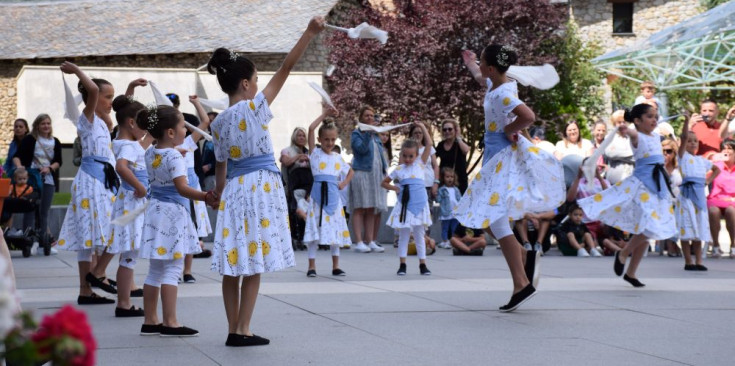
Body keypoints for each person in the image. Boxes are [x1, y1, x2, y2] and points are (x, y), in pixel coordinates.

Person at [208, 16, 324, 347]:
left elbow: (221, 164)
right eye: (256, 79)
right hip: (259, 186)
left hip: (235, 187)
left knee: (234, 260)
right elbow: (286, 68)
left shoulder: (217, 124)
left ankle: (233, 327)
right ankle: (243, 328)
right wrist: (308, 32)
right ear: (245, 84)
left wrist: (217, 193)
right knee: (254, 258)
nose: (260, 84)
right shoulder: (254, 107)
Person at [455, 45, 565, 311]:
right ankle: (524, 258)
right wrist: (470, 63)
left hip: (501, 159)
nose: (479, 65)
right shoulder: (498, 83)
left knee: (494, 219)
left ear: (492, 67)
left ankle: (521, 283)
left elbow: (527, 116)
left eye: (481, 61)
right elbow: (482, 78)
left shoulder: (503, 93)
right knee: (490, 219)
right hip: (495, 158)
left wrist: (510, 129)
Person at [136, 105, 215, 337]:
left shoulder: (150, 152)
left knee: (155, 270)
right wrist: (205, 197)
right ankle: (171, 322)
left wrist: (175, 154)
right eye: (182, 126)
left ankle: (150, 321)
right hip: (173, 214)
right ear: (171, 132)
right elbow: (182, 188)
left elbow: (163, 164)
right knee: (173, 268)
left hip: (155, 212)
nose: (185, 130)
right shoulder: (174, 156)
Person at [578, 103, 676, 288]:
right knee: (648, 227)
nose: (654, 120)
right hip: (643, 187)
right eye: (649, 116)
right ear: (637, 121)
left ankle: (630, 273)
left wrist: (686, 124)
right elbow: (632, 134)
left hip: (657, 186)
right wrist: (626, 129)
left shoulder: (656, 136)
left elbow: (677, 139)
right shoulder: (637, 135)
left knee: (646, 231)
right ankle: (623, 254)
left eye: (656, 116)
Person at [56, 62, 119, 305]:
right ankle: (88, 286)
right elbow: (91, 91)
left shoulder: (103, 123)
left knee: (95, 236)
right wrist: (78, 71)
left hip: (102, 181)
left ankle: (90, 285)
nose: (110, 101)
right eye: (108, 97)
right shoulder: (86, 119)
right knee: (90, 237)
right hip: (91, 181)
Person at [108, 94, 150, 317]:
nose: (145, 131)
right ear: (131, 123)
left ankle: (123, 301)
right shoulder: (127, 145)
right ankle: (123, 303)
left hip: (130, 203)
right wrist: (140, 187)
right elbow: (121, 167)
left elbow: (141, 148)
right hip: (132, 204)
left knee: (129, 254)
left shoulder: (127, 142)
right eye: (143, 125)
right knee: (129, 255)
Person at [302, 107, 353, 277]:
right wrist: (324, 115)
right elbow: (310, 128)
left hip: (333, 198)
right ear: (319, 139)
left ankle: (336, 265)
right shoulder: (314, 154)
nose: (329, 143)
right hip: (317, 197)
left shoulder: (338, 158)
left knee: (335, 229)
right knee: (314, 228)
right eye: (326, 140)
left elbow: (350, 171)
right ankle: (311, 266)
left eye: (332, 140)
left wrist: (343, 182)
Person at [382, 122, 434, 276]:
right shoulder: (399, 170)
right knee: (404, 234)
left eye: (411, 156)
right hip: (405, 206)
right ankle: (402, 264)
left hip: (419, 204)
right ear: (401, 155)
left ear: (416, 155)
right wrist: (395, 188)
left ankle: (422, 264)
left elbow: (429, 143)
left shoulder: (421, 164)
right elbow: (384, 182)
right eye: (404, 155)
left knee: (419, 234)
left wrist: (423, 127)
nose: (408, 159)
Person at [178, 95, 214, 283]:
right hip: (175, 191)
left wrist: (196, 103)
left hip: (191, 189)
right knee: (177, 229)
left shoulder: (189, 143)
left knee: (191, 227)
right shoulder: (164, 147)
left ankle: (187, 270)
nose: (184, 129)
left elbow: (205, 121)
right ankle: (175, 268)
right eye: (181, 126)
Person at [12, 114, 62, 246]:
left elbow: (58, 161)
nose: (46, 126)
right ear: (37, 126)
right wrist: (20, 167)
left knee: (44, 211)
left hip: (48, 179)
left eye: (48, 123)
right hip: (32, 179)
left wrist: (50, 168)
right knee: (29, 208)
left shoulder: (55, 141)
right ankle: (27, 240)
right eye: (43, 123)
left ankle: (44, 242)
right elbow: (17, 157)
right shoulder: (30, 139)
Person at [678, 122, 719, 270]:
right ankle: (688, 261)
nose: (692, 143)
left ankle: (699, 260)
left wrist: (708, 180)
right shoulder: (682, 157)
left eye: (695, 141)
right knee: (687, 228)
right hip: (686, 196)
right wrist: (687, 122)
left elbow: (716, 169)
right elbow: (683, 138)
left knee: (698, 228)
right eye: (689, 141)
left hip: (699, 197)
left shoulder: (702, 160)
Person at [349, 106, 388, 253]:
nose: (370, 118)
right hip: (361, 174)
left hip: (375, 176)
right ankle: (359, 241)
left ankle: (370, 240)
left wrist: (384, 171)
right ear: (361, 118)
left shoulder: (376, 136)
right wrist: (367, 133)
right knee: (359, 207)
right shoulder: (357, 134)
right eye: (367, 116)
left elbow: (380, 155)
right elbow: (361, 150)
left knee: (372, 207)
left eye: (372, 116)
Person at [566, 160, 610, 252]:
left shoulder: (604, 181)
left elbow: (610, 196)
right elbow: (570, 198)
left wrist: (599, 177)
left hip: (602, 220)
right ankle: (593, 245)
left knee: (609, 239)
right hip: (586, 221)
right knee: (592, 243)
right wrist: (578, 177)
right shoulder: (579, 182)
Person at [281, 127, 310, 249]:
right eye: (299, 135)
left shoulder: (310, 152)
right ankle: (294, 238)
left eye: (303, 135)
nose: (301, 138)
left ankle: (303, 238)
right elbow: (286, 162)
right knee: (293, 212)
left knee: (306, 211)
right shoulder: (287, 151)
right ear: (294, 137)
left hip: (308, 187)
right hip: (293, 186)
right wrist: (298, 157)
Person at [706, 138, 735, 258]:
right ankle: (716, 246)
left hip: (732, 201)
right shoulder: (715, 166)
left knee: (731, 211)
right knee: (713, 211)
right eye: (724, 148)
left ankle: (733, 246)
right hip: (715, 199)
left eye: (730, 148)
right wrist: (712, 161)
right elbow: (704, 178)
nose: (726, 151)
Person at [659, 138, 682, 256]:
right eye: (662, 151)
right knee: (670, 210)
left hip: (677, 202)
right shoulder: (657, 168)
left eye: (668, 151)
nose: (665, 154)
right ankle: (671, 243)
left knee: (680, 209)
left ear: (674, 153)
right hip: (660, 202)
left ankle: (671, 241)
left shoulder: (679, 169)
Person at [435, 119, 469, 193]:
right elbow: (433, 158)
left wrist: (458, 137)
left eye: (450, 129)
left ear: (455, 130)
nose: (447, 131)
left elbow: (466, 150)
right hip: (445, 181)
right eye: (444, 130)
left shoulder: (459, 143)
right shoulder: (441, 145)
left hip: (459, 181)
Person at [604, 110, 635, 185]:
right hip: (615, 180)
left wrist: (620, 155)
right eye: (619, 122)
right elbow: (611, 154)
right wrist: (632, 154)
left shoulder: (632, 137)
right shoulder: (609, 137)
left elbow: (638, 156)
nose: (622, 124)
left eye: (624, 122)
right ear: (614, 124)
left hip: (632, 179)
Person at [436, 167, 461, 249]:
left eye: (452, 177)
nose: (450, 179)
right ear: (443, 178)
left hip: (455, 212)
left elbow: (459, 199)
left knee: (454, 228)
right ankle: (445, 241)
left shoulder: (456, 189)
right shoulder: (442, 189)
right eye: (447, 177)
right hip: (446, 212)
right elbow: (438, 200)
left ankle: (453, 241)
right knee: (445, 228)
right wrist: (438, 194)